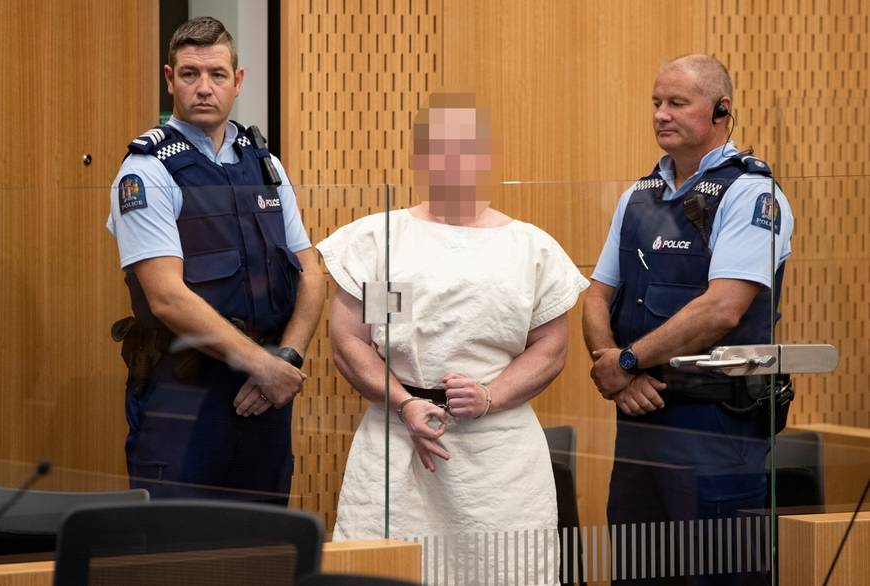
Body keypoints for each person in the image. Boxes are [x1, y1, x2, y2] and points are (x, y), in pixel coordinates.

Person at [317, 93, 590, 584]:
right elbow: (352, 342)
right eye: (439, 147)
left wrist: (490, 395)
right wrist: (405, 403)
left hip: (500, 460)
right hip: (395, 441)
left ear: (485, 157)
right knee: (386, 573)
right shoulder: (382, 241)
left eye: (466, 147)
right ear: (420, 157)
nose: (453, 159)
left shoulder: (529, 247)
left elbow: (551, 348)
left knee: (508, 573)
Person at [583, 54, 794, 585]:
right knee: (638, 569)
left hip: (715, 423)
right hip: (639, 416)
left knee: (716, 571)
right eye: (657, 102)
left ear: (721, 110)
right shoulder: (638, 196)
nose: (661, 114)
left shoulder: (752, 192)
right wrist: (618, 372)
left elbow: (723, 308)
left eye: (677, 102)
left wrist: (627, 361)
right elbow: (596, 296)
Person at [106, 16, 325, 503]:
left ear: (238, 81)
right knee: (180, 543)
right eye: (190, 74)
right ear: (170, 79)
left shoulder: (264, 165)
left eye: (217, 74)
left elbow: (311, 272)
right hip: (184, 398)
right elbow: (166, 297)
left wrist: (285, 359)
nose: (204, 87)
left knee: (264, 540)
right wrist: (263, 366)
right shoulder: (147, 170)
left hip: (265, 396)